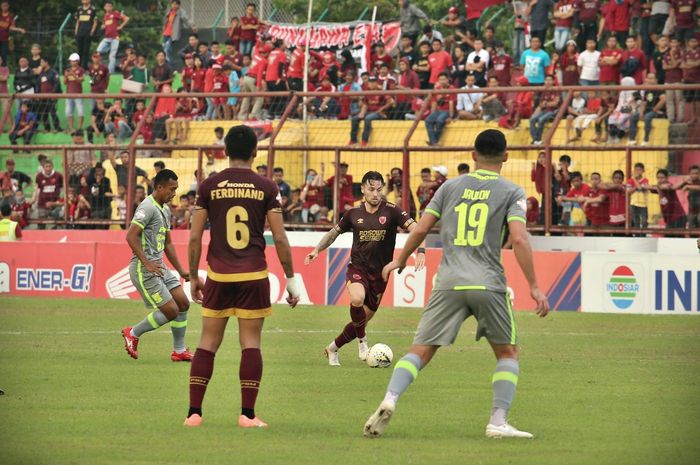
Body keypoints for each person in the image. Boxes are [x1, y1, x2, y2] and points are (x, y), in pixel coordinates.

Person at [364, 129, 549, 439]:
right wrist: (533, 285)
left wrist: (399, 260)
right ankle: (498, 421)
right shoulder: (512, 191)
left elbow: (422, 228)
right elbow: (518, 238)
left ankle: (390, 398)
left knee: (419, 352)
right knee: (507, 354)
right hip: (487, 283)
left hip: (448, 282)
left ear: (473, 156)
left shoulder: (449, 187)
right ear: (505, 156)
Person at [185, 125, 300, 428]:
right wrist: (291, 279)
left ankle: (194, 414)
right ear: (255, 152)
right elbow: (280, 237)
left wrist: (194, 276)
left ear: (224, 151)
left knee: (207, 342)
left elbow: (195, 237)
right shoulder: (267, 187)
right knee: (251, 343)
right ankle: (247, 415)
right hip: (252, 273)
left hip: (219, 275)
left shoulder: (209, 185)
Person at [306, 171, 425, 367]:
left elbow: (418, 229)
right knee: (357, 299)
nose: (376, 194)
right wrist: (317, 249)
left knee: (359, 322)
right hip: (357, 269)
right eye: (371, 189)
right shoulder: (353, 214)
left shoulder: (393, 211)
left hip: (380, 275)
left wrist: (421, 251)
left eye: (379, 189)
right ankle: (363, 343)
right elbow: (333, 233)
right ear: (362, 189)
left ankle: (332, 349)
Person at [121, 169, 191, 360]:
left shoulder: (165, 209)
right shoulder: (147, 207)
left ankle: (179, 351)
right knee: (171, 311)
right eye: (171, 189)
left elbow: (167, 243)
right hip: (144, 268)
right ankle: (133, 333)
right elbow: (130, 236)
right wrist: (147, 263)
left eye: (176, 189)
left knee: (183, 303)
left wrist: (181, 270)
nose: (174, 193)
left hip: (159, 266)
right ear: (159, 187)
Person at [348, 77, 394, 147]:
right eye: (370, 82)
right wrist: (362, 112)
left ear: (376, 83)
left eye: (373, 82)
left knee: (368, 118)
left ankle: (364, 141)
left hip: (379, 113)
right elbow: (364, 104)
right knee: (354, 119)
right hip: (369, 112)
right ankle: (353, 140)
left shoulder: (381, 91)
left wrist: (382, 109)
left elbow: (391, 102)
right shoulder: (367, 91)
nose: (371, 84)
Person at [628, 73, 666, 145]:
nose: (649, 80)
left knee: (647, 117)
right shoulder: (647, 90)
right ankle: (632, 139)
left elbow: (663, 100)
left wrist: (654, 109)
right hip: (647, 111)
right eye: (648, 78)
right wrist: (641, 112)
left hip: (657, 111)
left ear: (656, 80)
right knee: (633, 116)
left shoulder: (660, 89)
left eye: (651, 78)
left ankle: (646, 139)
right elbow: (644, 102)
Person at [96, 1, 129, 74]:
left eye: (109, 6)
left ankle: (110, 72)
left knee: (112, 56)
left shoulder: (115, 14)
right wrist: (103, 26)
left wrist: (121, 26)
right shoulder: (105, 16)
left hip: (115, 38)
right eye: (107, 6)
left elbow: (126, 18)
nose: (108, 7)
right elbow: (105, 25)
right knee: (98, 51)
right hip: (107, 37)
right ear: (104, 8)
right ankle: (97, 69)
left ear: (112, 7)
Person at [162, 0, 196, 66]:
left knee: (167, 48)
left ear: (179, 5)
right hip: (165, 33)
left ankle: (171, 65)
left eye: (176, 4)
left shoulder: (181, 12)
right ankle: (169, 65)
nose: (174, 6)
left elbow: (186, 19)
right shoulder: (169, 11)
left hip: (172, 34)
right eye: (173, 4)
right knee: (165, 51)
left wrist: (192, 25)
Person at [529, 75, 561, 145]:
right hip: (544, 111)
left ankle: (538, 139)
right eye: (546, 80)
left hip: (553, 111)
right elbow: (541, 104)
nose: (548, 82)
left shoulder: (556, 91)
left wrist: (546, 104)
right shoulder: (543, 91)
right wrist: (547, 104)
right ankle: (535, 140)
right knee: (532, 119)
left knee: (541, 119)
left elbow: (555, 104)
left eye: (550, 80)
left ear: (553, 81)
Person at [425, 73, 455, 146]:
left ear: (448, 80)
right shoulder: (436, 89)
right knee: (428, 120)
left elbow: (451, 103)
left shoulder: (451, 88)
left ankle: (433, 141)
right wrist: (432, 114)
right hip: (438, 111)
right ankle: (434, 141)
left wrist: (451, 116)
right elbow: (434, 103)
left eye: (444, 79)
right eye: (440, 80)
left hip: (447, 111)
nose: (442, 81)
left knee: (440, 120)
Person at [37, 57, 63, 132]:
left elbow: (56, 84)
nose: (41, 64)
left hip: (51, 96)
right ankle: (47, 128)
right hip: (42, 97)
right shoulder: (41, 73)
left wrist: (53, 94)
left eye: (42, 62)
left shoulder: (53, 72)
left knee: (53, 112)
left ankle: (57, 128)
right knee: (44, 114)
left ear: (46, 62)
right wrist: (38, 94)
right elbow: (38, 84)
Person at [64, 53, 85, 132]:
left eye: (74, 61)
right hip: (69, 93)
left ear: (78, 61)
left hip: (78, 94)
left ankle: (79, 128)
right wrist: (66, 76)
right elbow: (65, 83)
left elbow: (81, 80)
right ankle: (71, 128)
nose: (73, 62)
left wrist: (73, 74)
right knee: (68, 112)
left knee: (80, 112)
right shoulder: (67, 70)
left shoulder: (81, 70)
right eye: (72, 61)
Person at [74, 0, 98, 70]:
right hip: (80, 32)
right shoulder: (79, 9)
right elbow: (78, 21)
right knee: (79, 50)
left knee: (86, 50)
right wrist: (76, 31)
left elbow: (95, 22)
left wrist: (92, 32)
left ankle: (84, 66)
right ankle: (79, 65)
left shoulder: (92, 9)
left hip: (87, 32)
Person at [0, 1, 25, 66]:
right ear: (1, 7)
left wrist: (20, 29)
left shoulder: (11, 16)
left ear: (8, 6)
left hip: (4, 39)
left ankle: (3, 71)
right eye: (3, 6)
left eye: (5, 6)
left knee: (4, 55)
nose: (4, 7)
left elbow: (12, 27)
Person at [626, 162, 650, 229]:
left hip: (643, 204)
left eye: (639, 170)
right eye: (636, 170)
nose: (637, 171)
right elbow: (628, 192)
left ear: (643, 171)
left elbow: (640, 188)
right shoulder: (630, 181)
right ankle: (637, 236)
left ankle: (643, 235)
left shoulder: (645, 180)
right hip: (633, 204)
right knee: (636, 221)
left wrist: (634, 179)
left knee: (644, 221)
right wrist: (636, 186)